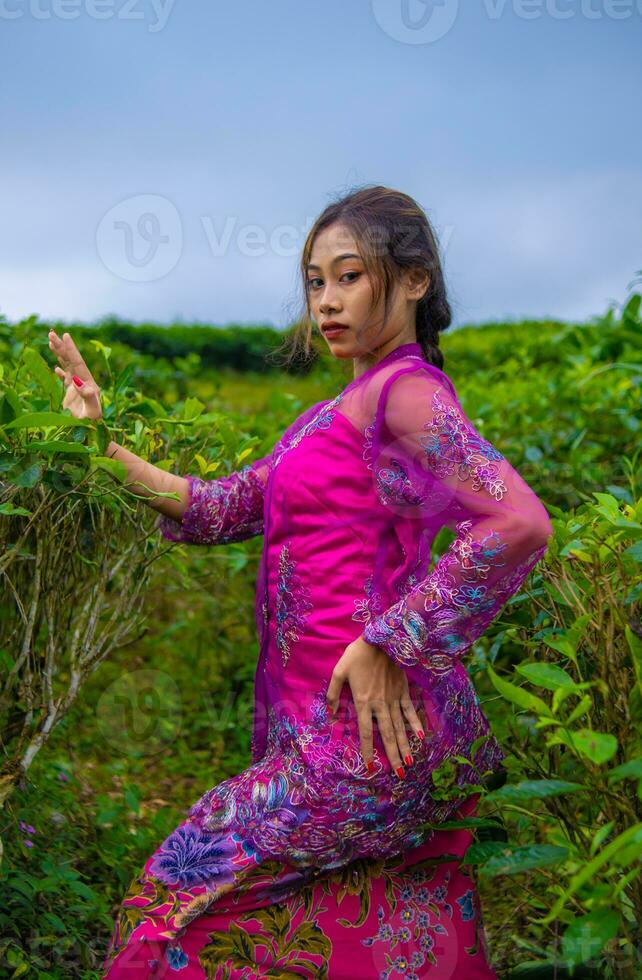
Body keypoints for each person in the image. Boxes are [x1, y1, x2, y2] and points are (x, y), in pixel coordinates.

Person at [48, 185, 552, 979]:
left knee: (168, 903)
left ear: (415, 280)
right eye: (315, 281)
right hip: (331, 728)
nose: (326, 300)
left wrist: (393, 642)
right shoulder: (330, 415)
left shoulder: (405, 392)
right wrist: (99, 438)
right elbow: (217, 507)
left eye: (348, 276)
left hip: (369, 737)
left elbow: (517, 521)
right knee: (379, 937)